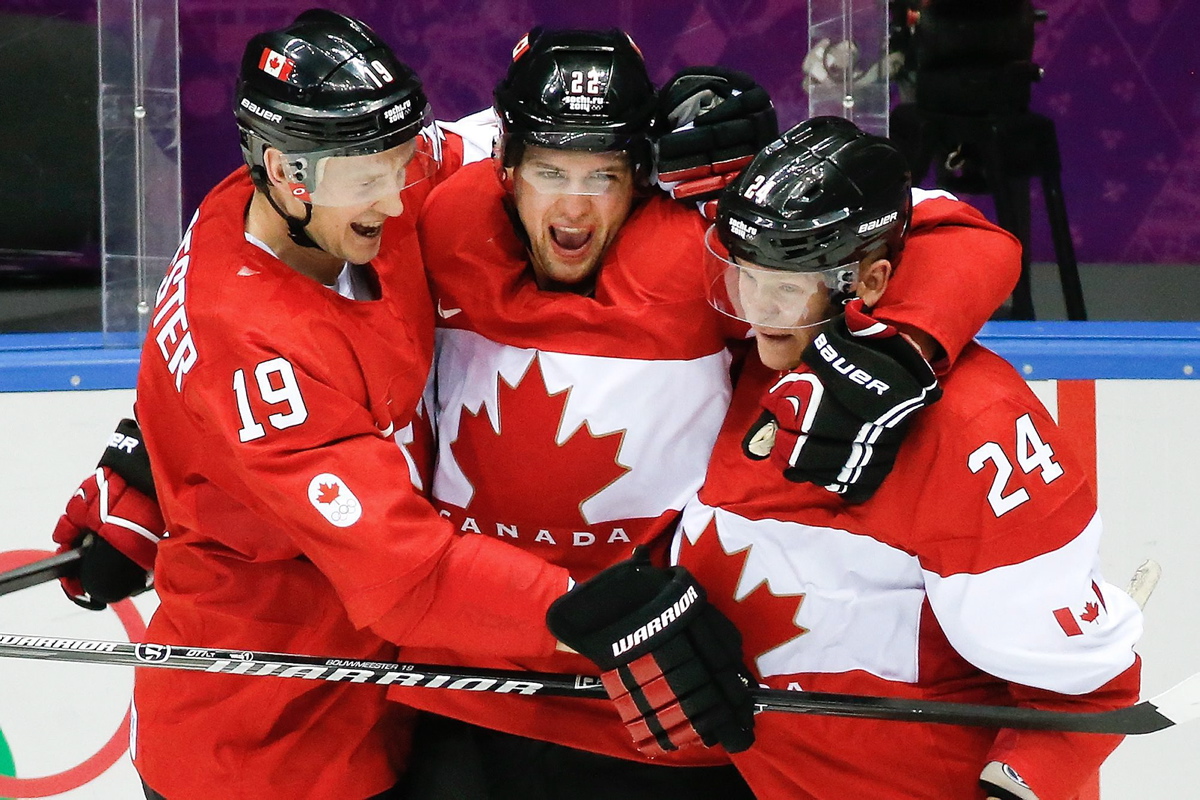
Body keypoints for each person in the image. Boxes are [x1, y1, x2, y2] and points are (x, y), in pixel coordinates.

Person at [384, 27, 1031, 799]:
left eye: (604, 175)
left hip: (663, 686)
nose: (573, 203)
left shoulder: (701, 243)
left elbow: (955, 233)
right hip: (472, 680)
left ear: (643, 171)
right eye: (550, 169)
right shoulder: (438, 218)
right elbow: (309, 185)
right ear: (507, 166)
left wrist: (900, 342)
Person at [565, 116, 1142, 799]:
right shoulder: (748, 371)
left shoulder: (974, 426)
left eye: (786, 287)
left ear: (869, 280)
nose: (758, 313)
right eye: (746, 278)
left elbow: (1085, 695)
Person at [85, 11, 577, 800]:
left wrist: (148, 460)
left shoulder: (282, 199)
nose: (399, 195)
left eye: (399, 162)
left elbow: (482, 141)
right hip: (263, 739)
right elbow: (411, 574)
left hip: (379, 692)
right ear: (288, 174)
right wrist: (586, 612)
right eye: (369, 178)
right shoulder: (252, 345)